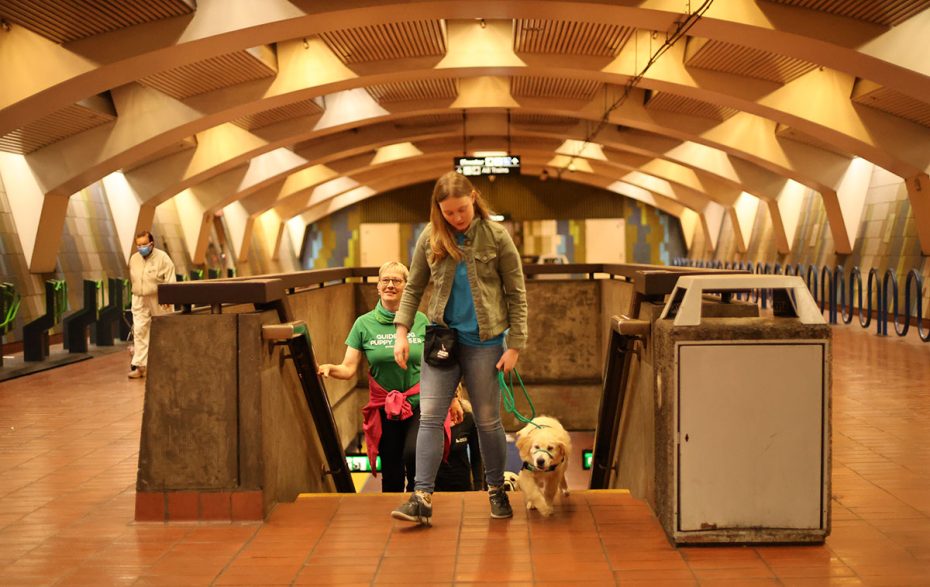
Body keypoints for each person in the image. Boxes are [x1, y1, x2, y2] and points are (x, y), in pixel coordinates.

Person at [391, 171, 528, 524]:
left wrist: (515, 345)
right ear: (439, 210)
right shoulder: (431, 237)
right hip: (441, 341)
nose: (457, 218)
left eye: (462, 210)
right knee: (430, 418)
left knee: (486, 420)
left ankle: (496, 490)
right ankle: (421, 497)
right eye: (449, 212)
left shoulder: (497, 236)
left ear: (474, 199)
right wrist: (401, 332)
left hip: (485, 343)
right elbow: (414, 286)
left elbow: (516, 293)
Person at [317, 261, 434, 492]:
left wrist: (453, 395)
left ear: (406, 287)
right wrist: (330, 368)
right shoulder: (363, 324)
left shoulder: (420, 320)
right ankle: (391, 521)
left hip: (418, 403)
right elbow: (349, 368)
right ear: (378, 287)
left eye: (397, 281)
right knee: (391, 470)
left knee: (414, 455)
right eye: (385, 280)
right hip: (385, 409)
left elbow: (434, 363)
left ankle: (416, 504)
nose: (390, 285)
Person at [128, 230, 175, 379]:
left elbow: (170, 279)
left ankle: (167, 363)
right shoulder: (134, 259)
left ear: (151, 244)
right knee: (140, 331)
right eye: (138, 245)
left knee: (163, 329)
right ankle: (140, 367)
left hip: (159, 297)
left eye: (144, 244)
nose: (141, 247)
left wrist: (169, 297)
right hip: (140, 297)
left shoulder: (163, 258)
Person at [435, 386, 483, 492]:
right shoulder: (431, 419)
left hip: (462, 485)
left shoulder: (469, 419)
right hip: (435, 486)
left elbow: (477, 456)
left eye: (455, 393)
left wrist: (479, 487)